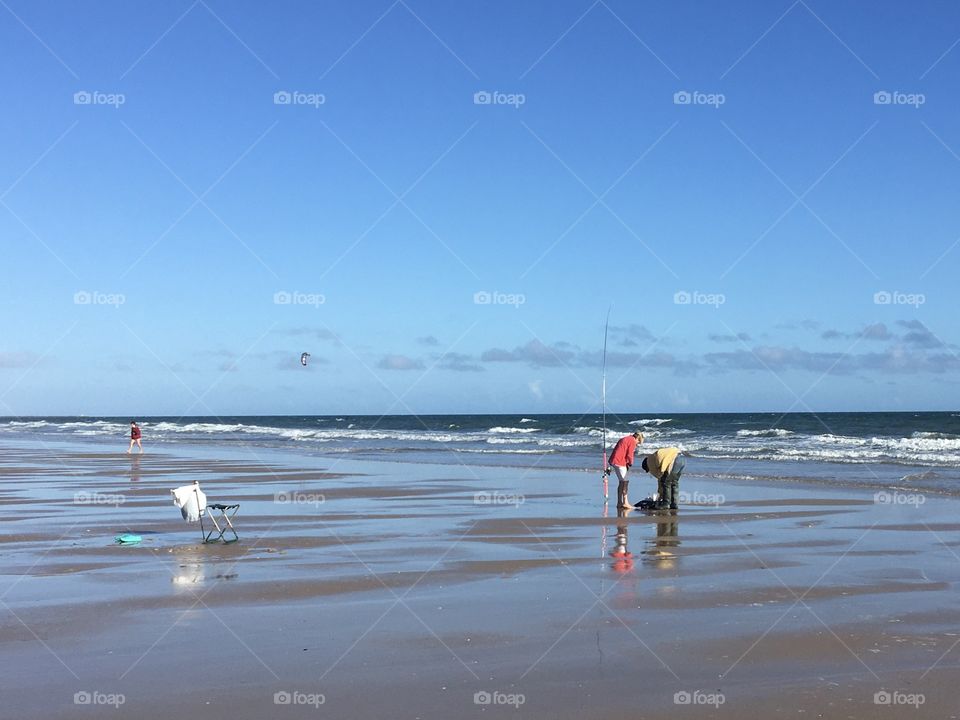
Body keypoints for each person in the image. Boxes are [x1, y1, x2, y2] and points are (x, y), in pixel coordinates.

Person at [607, 430, 644, 509]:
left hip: (614, 460)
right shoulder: (632, 441)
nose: (637, 444)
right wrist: (630, 463)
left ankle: (619, 502)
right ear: (637, 438)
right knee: (625, 482)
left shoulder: (626, 438)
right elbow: (630, 454)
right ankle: (625, 502)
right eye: (638, 442)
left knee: (621, 482)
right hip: (619, 462)